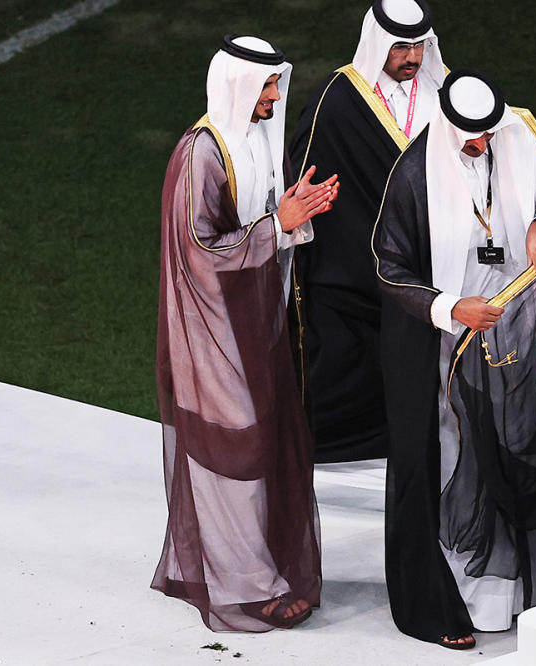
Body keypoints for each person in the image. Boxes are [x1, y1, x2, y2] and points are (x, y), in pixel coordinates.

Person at [373, 69, 536, 649]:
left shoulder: (516, 131)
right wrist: (451, 306)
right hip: (453, 345)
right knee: (459, 462)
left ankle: (518, 594)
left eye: (488, 134)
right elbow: (389, 269)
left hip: (521, 327)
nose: (482, 145)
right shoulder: (415, 171)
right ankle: (462, 597)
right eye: (471, 138)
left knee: (521, 450)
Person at [151, 35, 339, 632]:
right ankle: (248, 586)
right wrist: (277, 225)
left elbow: (269, 223)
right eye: (265, 87)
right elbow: (199, 249)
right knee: (235, 447)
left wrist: (294, 214)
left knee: (266, 441)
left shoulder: (258, 140)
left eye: (277, 85)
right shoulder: (199, 154)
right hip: (211, 329)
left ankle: (257, 570)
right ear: (236, 86)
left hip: (259, 321)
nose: (274, 97)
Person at [287, 0, 447, 462]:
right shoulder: (336, 100)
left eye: (420, 46)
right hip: (354, 267)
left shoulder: (444, 96)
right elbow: (310, 180)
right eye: (400, 47)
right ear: (378, 44)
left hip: (432, 268)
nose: (412, 57)